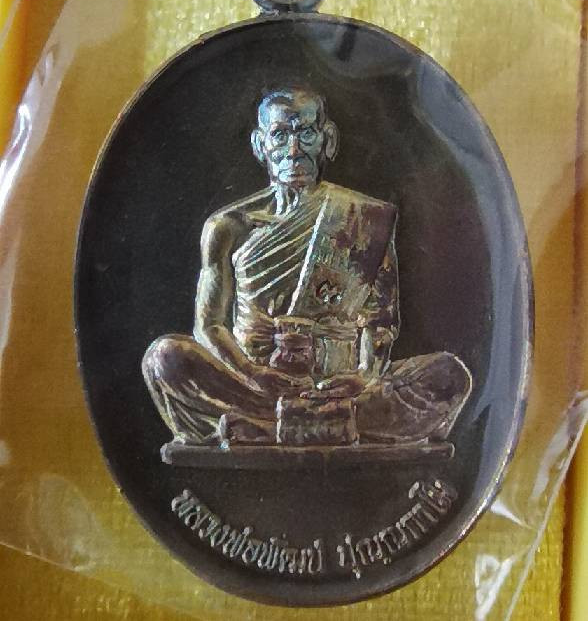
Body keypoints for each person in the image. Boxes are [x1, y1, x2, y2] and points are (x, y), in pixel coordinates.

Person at [142, 88, 471, 447]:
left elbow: (380, 319)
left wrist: (364, 376)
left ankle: (269, 429)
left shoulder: (365, 219)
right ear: (260, 145)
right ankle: (329, 423)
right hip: (257, 386)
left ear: (327, 140)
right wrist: (254, 373)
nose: (294, 150)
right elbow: (209, 325)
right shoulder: (228, 227)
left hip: (339, 386)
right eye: (280, 135)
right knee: (165, 358)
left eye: (306, 133)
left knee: (448, 376)